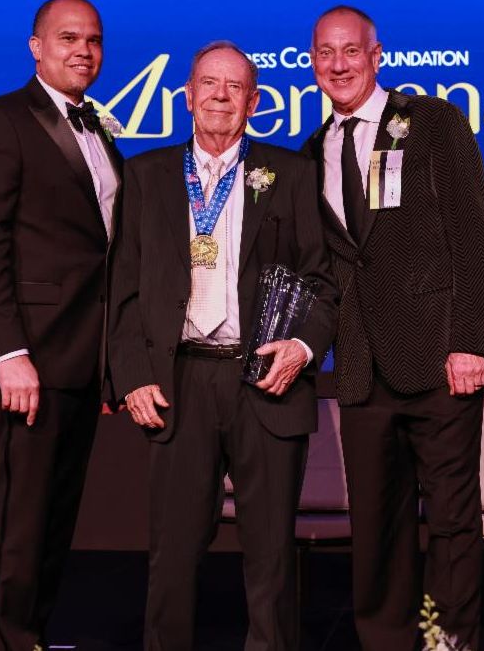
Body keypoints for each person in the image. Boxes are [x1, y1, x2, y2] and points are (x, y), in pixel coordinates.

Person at [108, 40, 338, 651]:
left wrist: (303, 347)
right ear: (187, 96)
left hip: (264, 379)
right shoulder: (146, 175)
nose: (219, 95)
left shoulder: (290, 173)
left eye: (233, 87)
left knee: (270, 557)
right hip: (178, 379)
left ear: (254, 102)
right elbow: (122, 288)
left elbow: (323, 280)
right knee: (174, 553)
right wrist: (130, 374)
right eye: (208, 84)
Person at [302, 5, 484, 651]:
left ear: (376, 56)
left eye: (349, 51)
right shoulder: (312, 151)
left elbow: (472, 238)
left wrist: (469, 339)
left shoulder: (432, 122)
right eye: (325, 53)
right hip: (359, 368)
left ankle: (449, 643)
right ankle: (386, 643)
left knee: (449, 520)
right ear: (311, 64)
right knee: (377, 528)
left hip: (439, 359)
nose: (337, 64)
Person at [0, 0, 122, 651]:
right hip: (27, 362)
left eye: (94, 40)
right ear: (35, 46)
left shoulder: (99, 128)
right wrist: (8, 353)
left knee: (53, 524)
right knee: (18, 525)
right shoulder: (1, 120)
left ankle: (28, 636)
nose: (83, 50)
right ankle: (3, 641)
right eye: (67, 37)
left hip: (82, 360)